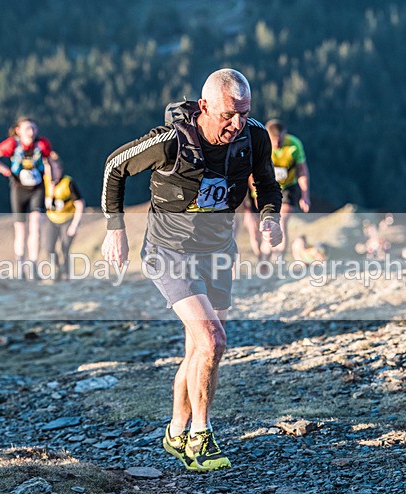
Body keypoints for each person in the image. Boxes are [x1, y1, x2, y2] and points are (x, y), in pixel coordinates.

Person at [101, 69, 282, 472]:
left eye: (244, 113)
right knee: (214, 341)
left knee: (199, 349)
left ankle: (176, 430)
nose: (237, 124)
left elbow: (267, 185)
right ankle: (201, 435)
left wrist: (271, 217)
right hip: (170, 252)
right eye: (227, 115)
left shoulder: (253, 137)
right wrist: (116, 229)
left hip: (218, 253)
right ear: (204, 107)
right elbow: (115, 166)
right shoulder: (171, 142)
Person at [0, 117, 56, 279]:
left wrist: (52, 186)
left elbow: (49, 163)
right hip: (18, 189)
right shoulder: (11, 145)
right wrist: (6, 171)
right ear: (18, 131)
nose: (32, 132)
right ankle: (20, 266)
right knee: (20, 230)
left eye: (34, 128)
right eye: (28, 128)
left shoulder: (42, 145)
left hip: (38, 188)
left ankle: (33, 266)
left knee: (36, 227)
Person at [243, 119, 310, 263]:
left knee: (281, 221)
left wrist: (305, 195)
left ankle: (278, 258)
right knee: (260, 228)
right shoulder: (260, 144)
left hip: (286, 188)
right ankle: (264, 258)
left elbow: (302, 170)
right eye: (274, 142)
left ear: (285, 135)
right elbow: (251, 173)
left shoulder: (294, 145)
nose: (277, 145)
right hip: (262, 188)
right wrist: (255, 194)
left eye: (280, 141)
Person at [44, 173, 84, 280]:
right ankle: (58, 269)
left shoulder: (68, 182)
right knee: (49, 247)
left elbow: (80, 203)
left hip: (68, 219)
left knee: (65, 247)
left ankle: (67, 274)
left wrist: (75, 225)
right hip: (51, 219)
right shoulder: (45, 180)